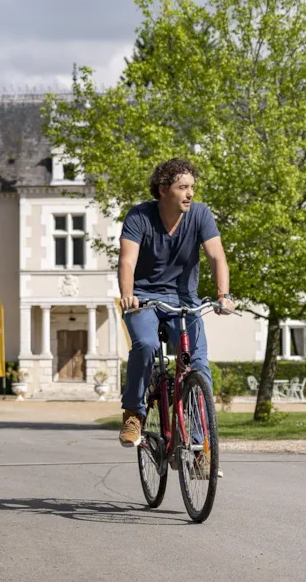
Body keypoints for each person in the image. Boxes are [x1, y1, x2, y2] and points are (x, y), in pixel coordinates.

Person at [117, 158, 235, 475]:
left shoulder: (200, 215)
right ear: (163, 190)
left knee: (199, 365)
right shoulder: (140, 216)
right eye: (183, 187)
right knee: (144, 345)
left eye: (192, 187)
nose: (190, 194)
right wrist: (128, 293)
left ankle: (200, 450)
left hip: (184, 300)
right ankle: (134, 414)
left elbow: (216, 255)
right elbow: (127, 261)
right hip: (143, 296)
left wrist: (223, 295)